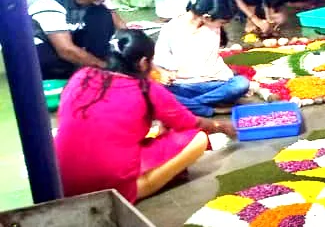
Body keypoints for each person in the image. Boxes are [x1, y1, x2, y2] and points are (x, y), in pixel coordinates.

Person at [55, 29, 237, 203]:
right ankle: (150, 181)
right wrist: (220, 126)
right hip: (111, 189)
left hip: (61, 182)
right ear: (143, 63)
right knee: (198, 138)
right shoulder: (146, 89)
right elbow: (190, 123)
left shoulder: (82, 76)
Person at [154, 0, 251, 117]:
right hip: (183, 85)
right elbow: (158, 58)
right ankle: (207, 108)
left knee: (241, 84)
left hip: (215, 83)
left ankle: (190, 105)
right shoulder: (171, 28)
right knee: (155, 91)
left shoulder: (212, 24)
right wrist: (163, 72)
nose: (222, 26)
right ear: (206, 17)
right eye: (222, 23)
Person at [28, 0, 124, 80]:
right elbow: (65, 50)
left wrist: (134, 46)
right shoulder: (48, 0)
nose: (98, 2)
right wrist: (106, 67)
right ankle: (86, 66)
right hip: (37, 40)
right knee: (49, 62)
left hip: (66, 33)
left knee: (102, 13)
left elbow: (118, 23)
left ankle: (91, 61)